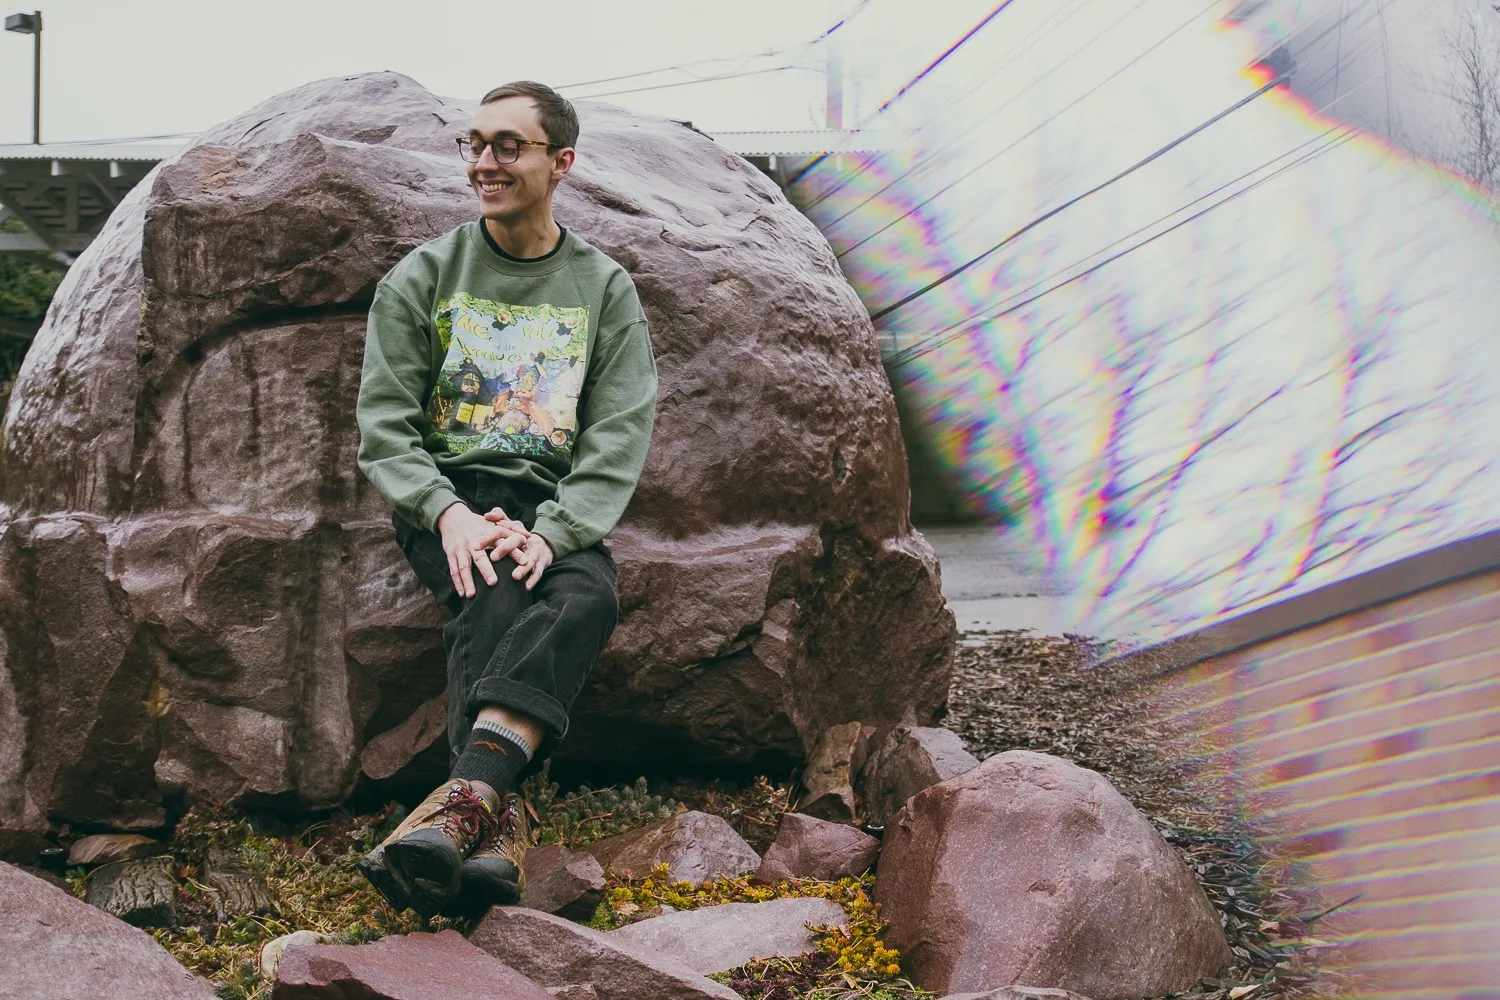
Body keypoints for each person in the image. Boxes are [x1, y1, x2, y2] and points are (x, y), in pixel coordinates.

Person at [354, 80, 657, 915]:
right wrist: (445, 510)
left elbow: (620, 429)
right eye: (475, 144)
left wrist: (557, 534)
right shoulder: (424, 276)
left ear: (561, 163)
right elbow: (384, 425)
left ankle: (464, 817)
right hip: (448, 499)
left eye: (508, 146)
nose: (484, 162)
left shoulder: (603, 288)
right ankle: (497, 821)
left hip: (550, 506)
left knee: (586, 590)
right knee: (490, 589)